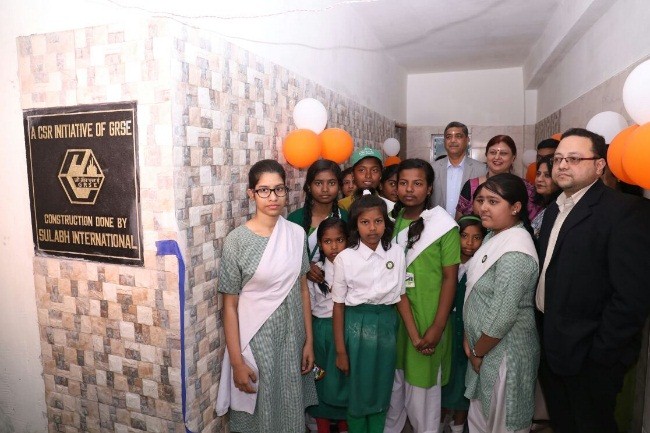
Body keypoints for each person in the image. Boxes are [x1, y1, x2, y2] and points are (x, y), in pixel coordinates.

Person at [536, 128, 650, 433]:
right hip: (552, 346)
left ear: (599, 165)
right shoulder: (553, 211)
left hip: (591, 355)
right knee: (563, 422)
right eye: (558, 159)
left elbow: (632, 297)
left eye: (574, 159)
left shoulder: (624, 211)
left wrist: (601, 354)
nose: (561, 165)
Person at [216, 159, 317, 432]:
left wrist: (308, 341)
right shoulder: (237, 240)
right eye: (264, 190)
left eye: (279, 189)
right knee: (259, 414)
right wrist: (237, 361)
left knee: (290, 408)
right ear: (251, 193)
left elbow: (302, 289)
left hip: (292, 337)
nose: (273, 197)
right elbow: (229, 306)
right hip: (256, 342)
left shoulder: (295, 234)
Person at [385, 158, 460, 433]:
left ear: (429, 188)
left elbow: (451, 278)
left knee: (423, 398)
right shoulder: (388, 221)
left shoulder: (443, 225)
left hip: (428, 318)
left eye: (417, 183)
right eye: (402, 183)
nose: (409, 189)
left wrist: (438, 326)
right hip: (393, 319)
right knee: (392, 394)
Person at [463, 173, 540, 433]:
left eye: (493, 202)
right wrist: (469, 340)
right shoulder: (493, 236)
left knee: (502, 425)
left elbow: (503, 314)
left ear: (516, 207)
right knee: (481, 422)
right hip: (483, 349)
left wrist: (477, 351)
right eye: (481, 200)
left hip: (505, 353)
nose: (483, 207)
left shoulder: (515, 250)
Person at [331, 194, 414, 432]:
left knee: (381, 386)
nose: (372, 228)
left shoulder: (396, 253)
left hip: (387, 325)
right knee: (359, 388)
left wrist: (414, 336)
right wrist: (340, 351)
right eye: (365, 222)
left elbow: (400, 296)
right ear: (355, 225)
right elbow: (338, 305)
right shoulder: (345, 258)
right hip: (356, 325)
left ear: (385, 223)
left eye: (378, 221)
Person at [441, 215, 486, 433]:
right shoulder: (448, 263)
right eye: (465, 236)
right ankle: (439, 422)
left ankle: (459, 425)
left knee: (463, 378)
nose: (470, 243)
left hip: (469, 328)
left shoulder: (482, 266)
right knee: (445, 376)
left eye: (476, 238)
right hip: (448, 326)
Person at [307, 217, 350, 433]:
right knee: (321, 380)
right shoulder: (316, 273)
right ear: (320, 244)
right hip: (322, 332)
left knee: (344, 380)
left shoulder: (354, 266)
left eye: (339, 240)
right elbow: (310, 306)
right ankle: (321, 426)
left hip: (345, 331)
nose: (334, 247)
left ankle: (344, 426)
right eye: (327, 241)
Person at [288, 159, 348, 286]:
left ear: (339, 186)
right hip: (302, 290)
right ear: (309, 186)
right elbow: (285, 257)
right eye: (318, 183)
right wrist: (305, 267)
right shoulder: (294, 219)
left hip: (340, 288)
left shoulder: (346, 217)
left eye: (331, 183)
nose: (325, 189)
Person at [456, 135, 542, 222]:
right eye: (493, 152)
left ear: (513, 158)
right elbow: (460, 223)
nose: (497, 157)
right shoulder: (471, 186)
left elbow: (535, 224)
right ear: (486, 155)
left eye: (503, 153)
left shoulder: (526, 188)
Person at [432, 121, 487, 216]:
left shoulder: (482, 170)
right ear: (444, 141)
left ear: (467, 140)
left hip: (469, 228)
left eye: (458, 136)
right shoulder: (432, 168)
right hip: (437, 227)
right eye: (448, 137)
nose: (453, 140)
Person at [338, 147, 394, 213]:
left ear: (380, 175)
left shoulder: (390, 207)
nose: (368, 175)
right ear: (353, 175)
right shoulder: (342, 205)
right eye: (362, 170)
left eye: (374, 170)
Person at [530, 156, 561, 239]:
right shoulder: (540, 205)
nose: (540, 179)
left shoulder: (560, 209)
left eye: (547, 175)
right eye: (538, 174)